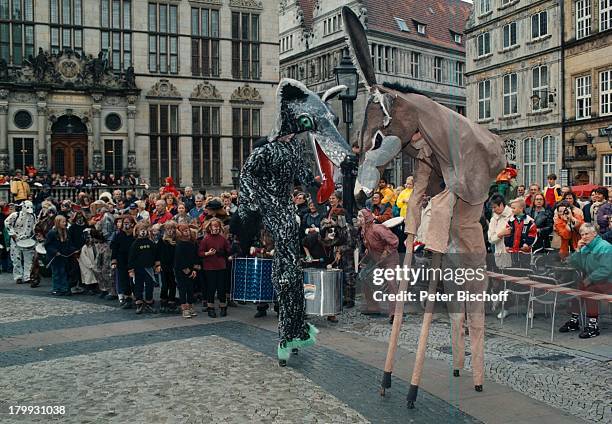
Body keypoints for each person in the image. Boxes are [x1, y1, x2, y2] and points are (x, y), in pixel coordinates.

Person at [559, 223, 612, 338]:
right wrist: (577, 250)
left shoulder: (605, 247)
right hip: (593, 279)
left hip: (607, 281)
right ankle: (574, 320)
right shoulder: (586, 247)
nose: (584, 236)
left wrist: (590, 279)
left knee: (590, 292)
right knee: (576, 290)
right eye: (582, 234)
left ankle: (593, 326)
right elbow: (575, 264)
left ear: (594, 233)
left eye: (587, 234)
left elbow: (607, 269)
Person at [357, 209, 399, 322]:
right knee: (363, 276)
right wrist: (366, 256)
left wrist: (386, 253)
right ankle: (373, 307)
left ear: (367, 218)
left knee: (391, 283)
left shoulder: (378, 228)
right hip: (376, 259)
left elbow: (394, 241)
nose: (358, 218)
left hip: (390, 259)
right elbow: (371, 245)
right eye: (358, 216)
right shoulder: (363, 230)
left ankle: (394, 314)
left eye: (360, 216)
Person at [199, 218, 231, 318]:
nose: (216, 228)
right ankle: (210, 308)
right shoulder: (206, 239)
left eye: (217, 226)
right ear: (210, 227)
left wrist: (223, 252)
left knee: (221, 288)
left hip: (221, 266)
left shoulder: (222, 239)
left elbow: (228, 250)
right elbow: (200, 253)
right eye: (214, 226)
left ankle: (223, 307)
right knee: (211, 288)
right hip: (209, 267)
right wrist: (207, 253)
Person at [128, 222, 161, 314]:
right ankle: (139, 302)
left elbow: (156, 254)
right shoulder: (135, 244)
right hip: (138, 269)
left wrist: (157, 265)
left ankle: (149, 301)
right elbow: (131, 257)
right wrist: (130, 269)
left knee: (149, 285)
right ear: (137, 232)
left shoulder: (151, 243)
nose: (143, 232)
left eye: (145, 230)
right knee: (138, 286)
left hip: (149, 268)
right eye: (141, 230)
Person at [5, 200, 37, 286]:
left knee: (29, 259)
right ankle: (18, 277)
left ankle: (28, 277)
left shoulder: (33, 216)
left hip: (27, 239)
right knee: (16, 259)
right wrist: (13, 234)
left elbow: (34, 227)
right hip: (16, 240)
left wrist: (34, 235)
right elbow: (7, 223)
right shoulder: (15, 215)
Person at [44, 215, 75, 296]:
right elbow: (47, 245)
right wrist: (55, 252)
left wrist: (73, 250)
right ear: (58, 223)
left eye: (65, 222)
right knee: (56, 273)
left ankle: (64, 288)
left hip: (63, 256)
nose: (65, 223)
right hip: (55, 257)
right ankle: (56, 288)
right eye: (63, 222)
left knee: (63, 272)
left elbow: (69, 243)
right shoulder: (52, 233)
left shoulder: (66, 232)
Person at [503, 198, 538, 268]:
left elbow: (533, 234)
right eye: (511, 208)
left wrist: (527, 244)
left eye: (514, 208)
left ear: (521, 209)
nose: (512, 210)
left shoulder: (529, 221)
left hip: (524, 250)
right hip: (512, 250)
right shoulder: (510, 221)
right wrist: (507, 245)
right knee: (514, 267)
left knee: (525, 267)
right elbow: (507, 234)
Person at [174, 223, 199, 318]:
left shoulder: (193, 243)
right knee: (183, 289)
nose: (187, 232)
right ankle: (184, 308)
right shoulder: (179, 244)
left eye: (187, 230)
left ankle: (191, 305)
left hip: (191, 269)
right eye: (184, 231)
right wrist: (186, 269)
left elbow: (195, 257)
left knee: (190, 288)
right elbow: (179, 259)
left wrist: (194, 269)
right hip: (181, 270)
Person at [111, 215, 136, 309]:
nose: (125, 225)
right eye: (124, 223)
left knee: (134, 280)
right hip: (122, 260)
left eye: (127, 223)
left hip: (133, 260)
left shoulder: (134, 235)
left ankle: (138, 298)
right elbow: (114, 249)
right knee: (124, 280)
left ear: (132, 224)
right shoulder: (119, 235)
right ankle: (127, 299)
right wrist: (114, 260)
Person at [487, 194, 512, 270]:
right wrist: (501, 234)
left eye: (494, 207)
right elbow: (490, 239)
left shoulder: (513, 214)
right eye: (492, 208)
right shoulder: (494, 219)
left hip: (515, 255)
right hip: (500, 257)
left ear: (501, 204)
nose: (493, 210)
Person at [157, 221, 178, 314]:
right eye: (168, 229)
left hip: (174, 266)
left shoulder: (177, 240)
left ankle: (172, 301)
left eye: (172, 229)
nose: (170, 231)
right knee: (164, 285)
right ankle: (163, 301)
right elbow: (157, 253)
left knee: (173, 284)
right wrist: (158, 264)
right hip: (164, 266)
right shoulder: (162, 240)